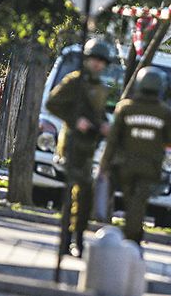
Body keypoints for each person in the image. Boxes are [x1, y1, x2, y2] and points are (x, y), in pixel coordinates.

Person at [46, 39, 113, 257]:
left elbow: (97, 112)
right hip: (72, 145)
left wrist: (103, 124)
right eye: (95, 59)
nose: (98, 64)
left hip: (88, 147)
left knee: (85, 198)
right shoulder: (74, 81)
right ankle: (67, 241)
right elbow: (52, 103)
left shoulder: (100, 87)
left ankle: (78, 238)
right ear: (87, 59)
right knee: (73, 194)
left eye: (102, 61)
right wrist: (76, 121)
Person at [102, 67, 171, 246]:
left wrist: (104, 165)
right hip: (150, 167)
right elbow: (170, 140)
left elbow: (113, 140)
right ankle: (133, 239)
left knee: (130, 201)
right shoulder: (165, 112)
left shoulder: (125, 108)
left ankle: (131, 236)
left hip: (125, 166)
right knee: (139, 203)